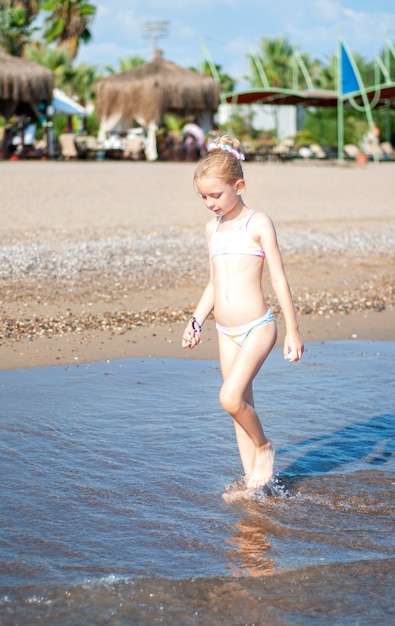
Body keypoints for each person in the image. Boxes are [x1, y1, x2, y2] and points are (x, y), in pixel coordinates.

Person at [182, 133, 304, 495]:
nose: (209, 203)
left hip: (258, 327)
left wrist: (293, 330)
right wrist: (196, 319)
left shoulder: (258, 223)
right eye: (203, 197)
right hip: (225, 330)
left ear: (240, 185)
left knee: (229, 398)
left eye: (216, 195)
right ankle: (255, 482)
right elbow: (214, 283)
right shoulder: (212, 229)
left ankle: (264, 446)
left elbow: (279, 279)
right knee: (239, 408)